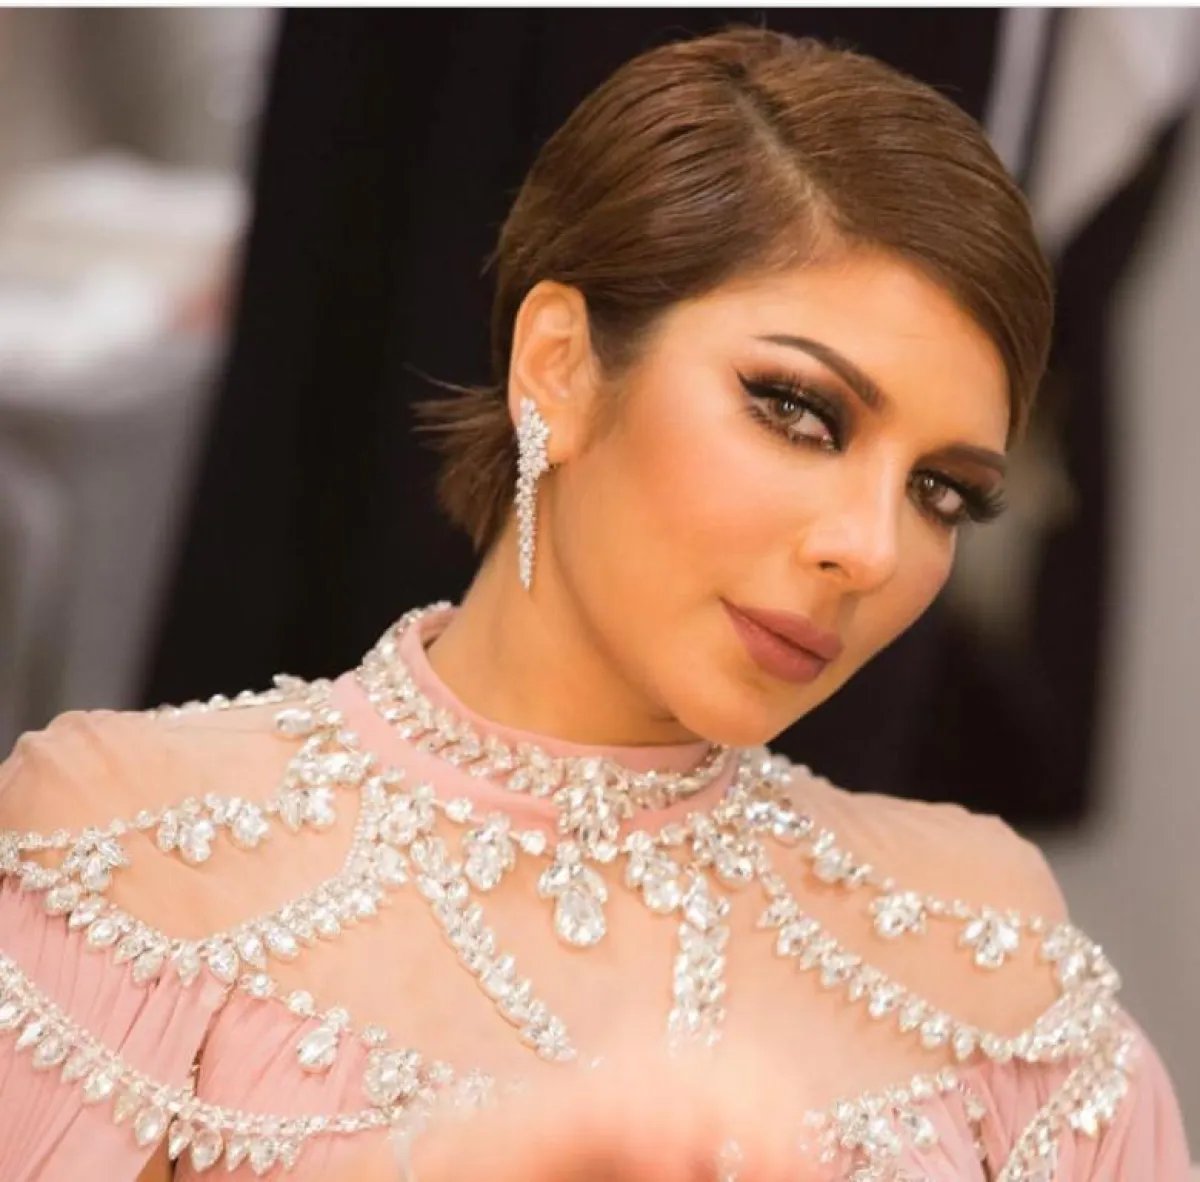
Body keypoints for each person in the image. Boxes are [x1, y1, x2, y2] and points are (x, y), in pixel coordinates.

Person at [0, 27, 1190, 1182]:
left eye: (941, 492)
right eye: (798, 412)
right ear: (558, 366)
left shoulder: (981, 937)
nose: (871, 550)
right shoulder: (131, 847)